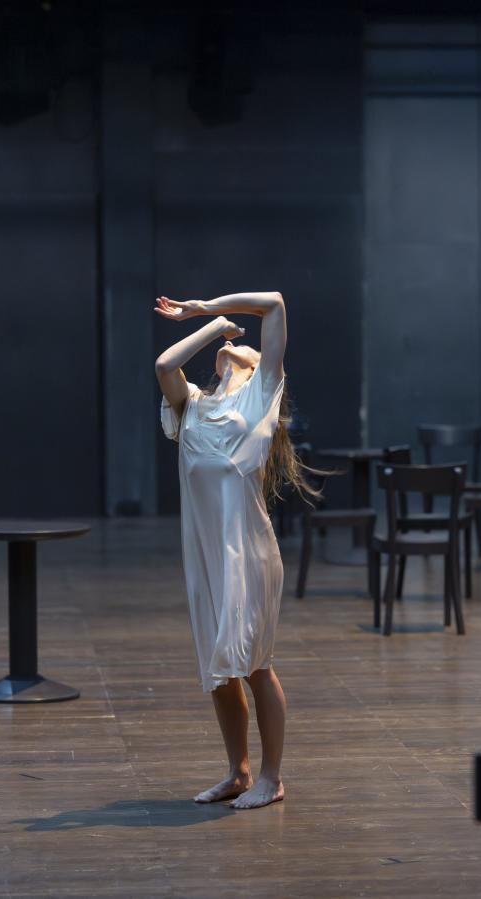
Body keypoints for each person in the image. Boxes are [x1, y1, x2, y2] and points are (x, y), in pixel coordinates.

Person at [155, 291, 320, 810]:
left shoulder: (260, 396)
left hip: (247, 555)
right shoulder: (192, 406)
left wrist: (206, 308)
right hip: (204, 557)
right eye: (222, 353)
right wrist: (213, 327)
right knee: (219, 670)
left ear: (258, 369)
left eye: (244, 351)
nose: (230, 352)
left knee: (253, 664)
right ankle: (238, 773)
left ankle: (272, 777)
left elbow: (273, 304)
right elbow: (164, 365)